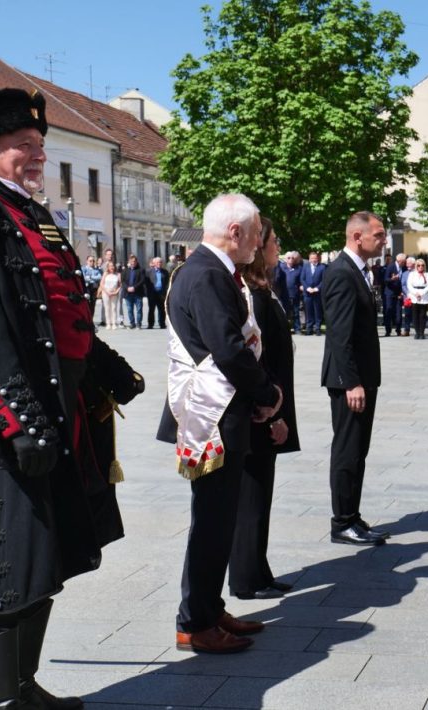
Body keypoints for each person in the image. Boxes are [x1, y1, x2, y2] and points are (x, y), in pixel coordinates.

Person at [0, 88, 144, 706]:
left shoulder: (30, 216)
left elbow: (58, 313)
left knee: (45, 557)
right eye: (23, 146)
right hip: (3, 424)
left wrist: (107, 367)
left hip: (59, 414)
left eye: (40, 145)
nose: (38, 155)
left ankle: (23, 688)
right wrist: (18, 422)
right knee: (7, 561)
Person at [157, 193, 282, 655]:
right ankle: (195, 621)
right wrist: (267, 394)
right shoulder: (207, 274)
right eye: (254, 235)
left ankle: (208, 607)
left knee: (218, 518)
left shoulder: (207, 271)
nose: (257, 244)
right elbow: (228, 349)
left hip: (223, 410)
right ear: (235, 232)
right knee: (211, 521)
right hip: (213, 415)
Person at [229, 217, 299, 600]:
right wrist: (271, 409)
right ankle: (244, 577)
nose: (275, 247)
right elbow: (256, 355)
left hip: (272, 403)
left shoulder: (265, 288)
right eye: (271, 241)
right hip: (260, 409)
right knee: (251, 496)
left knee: (261, 493)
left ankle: (259, 569)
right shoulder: (252, 294)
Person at [322, 211, 390, 547]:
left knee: (358, 450)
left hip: (362, 377)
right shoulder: (341, 273)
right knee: (347, 450)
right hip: (348, 380)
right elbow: (339, 333)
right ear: (357, 237)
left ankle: (352, 515)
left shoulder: (360, 271)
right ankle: (341, 522)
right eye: (378, 235)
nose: (383, 240)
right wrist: (351, 382)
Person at [406, 258, 428, 340]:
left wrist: (421, 293)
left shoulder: (427, 275)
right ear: (416, 266)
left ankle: (422, 333)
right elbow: (409, 285)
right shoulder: (412, 274)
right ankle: (417, 332)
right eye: (418, 265)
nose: (420, 267)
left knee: (422, 316)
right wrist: (415, 293)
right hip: (414, 296)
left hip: (423, 296)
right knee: (415, 316)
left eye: (422, 265)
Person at [382, 252, 407, 336]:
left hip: (399, 293)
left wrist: (402, 292)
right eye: (403, 261)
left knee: (398, 312)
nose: (404, 263)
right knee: (388, 311)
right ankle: (388, 331)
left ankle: (398, 330)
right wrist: (392, 279)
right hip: (389, 293)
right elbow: (385, 279)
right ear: (399, 260)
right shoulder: (391, 266)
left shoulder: (404, 268)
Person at [300, 251, 325, 335]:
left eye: (315, 258)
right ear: (309, 259)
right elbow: (302, 279)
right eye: (312, 258)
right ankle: (309, 328)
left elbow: (324, 280)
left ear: (317, 258)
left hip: (317, 293)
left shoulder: (322, 267)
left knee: (318, 311)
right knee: (308, 311)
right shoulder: (305, 267)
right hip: (307, 293)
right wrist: (307, 288)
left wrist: (317, 288)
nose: (313, 260)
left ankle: (317, 328)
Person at [144, 256, 170, 329]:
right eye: (158, 262)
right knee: (151, 309)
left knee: (162, 310)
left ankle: (162, 324)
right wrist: (147, 293)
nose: (160, 263)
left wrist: (166, 292)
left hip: (161, 294)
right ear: (154, 263)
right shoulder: (149, 271)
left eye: (161, 262)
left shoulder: (165, 272)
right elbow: (146, 283)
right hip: (152, 294)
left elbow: (167, 283)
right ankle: (150, 324)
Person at [121, 254, 145, 329]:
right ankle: (132, 323)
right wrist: (127, 288)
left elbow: (142, 280)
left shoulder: (141, 270)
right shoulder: (125, 270)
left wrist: (134, 287)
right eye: (131, 261)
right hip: (128, 293)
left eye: (134, 261)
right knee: (129, 309)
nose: (133, 263)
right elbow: (123, 281)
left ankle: (138, 323)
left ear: (136, 262)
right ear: (129, 262)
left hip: (137, 293)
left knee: (139, 309)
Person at [98, 261, 122, 330]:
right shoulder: (105, 273)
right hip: (106, 293)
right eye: (110, 266)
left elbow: (120, 285)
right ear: (108, 267)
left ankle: (114, 323)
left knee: (114, 308)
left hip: (114, 293)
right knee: (107, 308)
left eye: (113, 266)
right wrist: (107, 292)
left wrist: (116, 292)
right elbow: (101, 284)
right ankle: (108, 323)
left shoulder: (118, 274)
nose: (112, 267)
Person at [283, 251, 303, 333]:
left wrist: (302, 286)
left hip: (295, 294)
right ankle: (285, 329)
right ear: (285, 259)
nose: (291, 259)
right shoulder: (281, 268)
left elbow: (301, 280)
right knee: (285, 313)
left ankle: (297, 328)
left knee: (296, 312)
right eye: (289, 258)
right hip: (285, 294)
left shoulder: (299, 269)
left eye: (292, 258)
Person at [82, 255, 103, 323]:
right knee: (86, 304)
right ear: (87, 261)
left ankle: (91, 320)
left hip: (94, 288)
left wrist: (90, 277)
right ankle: (86, 319)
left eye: (93, 261)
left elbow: (99, 277)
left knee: (93, 304)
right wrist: (93, 278)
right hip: (86, 288)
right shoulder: (84, 268)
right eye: (90, 261)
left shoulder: (97, 269)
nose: (92, 262)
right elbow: (84, 277)